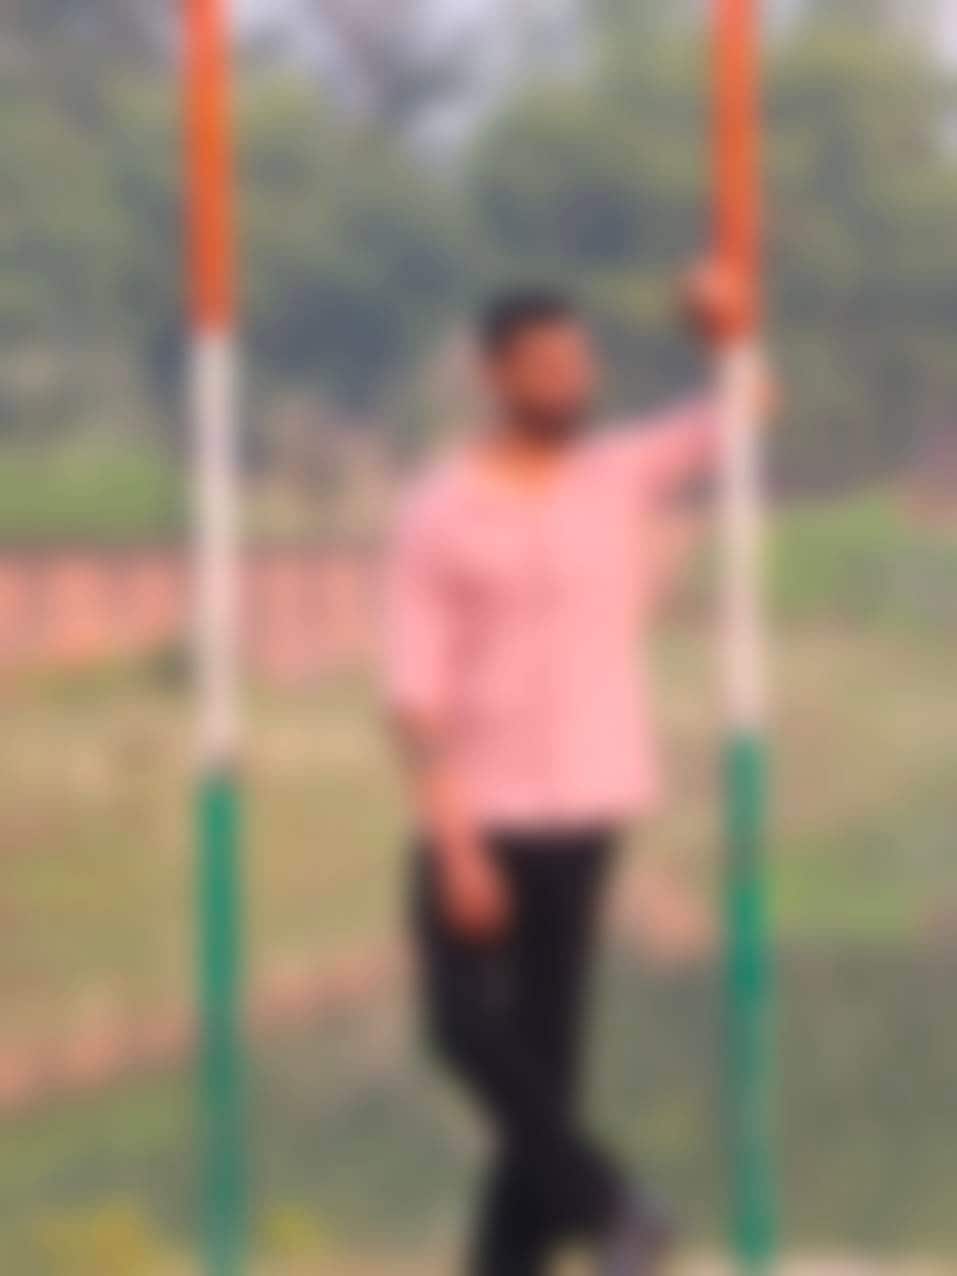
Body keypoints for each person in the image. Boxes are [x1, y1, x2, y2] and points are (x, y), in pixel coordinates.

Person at [384, 272, 770, 1275]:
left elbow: (741, 410)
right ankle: (613, 1205)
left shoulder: (615, 473)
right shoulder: (441, 510)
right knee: (461, 1029)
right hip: (480, 808)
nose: (570, 380)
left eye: (579, 362)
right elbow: (414, 691)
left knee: (546, 1066)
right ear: (496, 376)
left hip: (589, 801)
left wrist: (719, 332)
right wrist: (456, 844)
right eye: (547, 366)